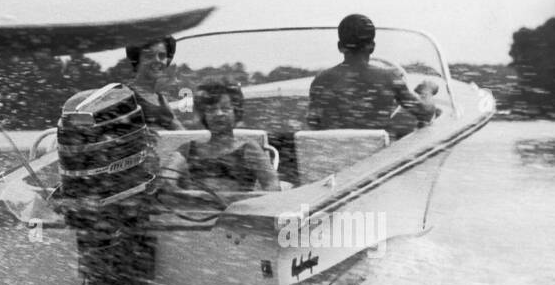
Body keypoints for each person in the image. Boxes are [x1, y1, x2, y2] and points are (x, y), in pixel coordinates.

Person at [307, 14, 437, 135]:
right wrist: (427, 89)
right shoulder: (389, 78)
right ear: (372, 46)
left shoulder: (320, 80)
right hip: (378, 158)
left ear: (340, 46)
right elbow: (425, 113)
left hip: (331, 156)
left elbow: (313, 123)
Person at [160, 79, 279, 207]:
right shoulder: (188, 149)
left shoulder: (249, 148)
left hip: (237, 214)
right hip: (196, 212)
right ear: (203, 115)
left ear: (236, 111)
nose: (218, 114)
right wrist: (184, 195)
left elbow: (273, 186)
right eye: (211, 110)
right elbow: (166, 179)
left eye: (225, 108)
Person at [124, 36, 184, 130]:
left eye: (162, 56)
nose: (157, 60)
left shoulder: (161, 99)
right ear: (137, 60)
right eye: (149, 56)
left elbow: (182, 134)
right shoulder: (126, 96)